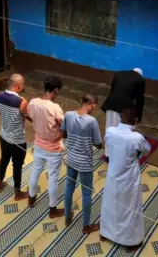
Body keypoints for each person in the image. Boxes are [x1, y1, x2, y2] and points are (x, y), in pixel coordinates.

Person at [100, 108, 151, 248]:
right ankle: (131, 241)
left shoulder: (110, 131)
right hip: (129, 179)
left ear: (120, 117)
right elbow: (147, 149)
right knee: (129, 208)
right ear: (136, 121)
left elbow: (109, 147)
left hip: (112, 174)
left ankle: (106, 232)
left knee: (110, 204)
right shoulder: (136, 137)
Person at [61, 94, 103, 234]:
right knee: (86, 193)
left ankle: (67, 217)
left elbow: (64, 134)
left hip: (71, 159)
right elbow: (98, 143)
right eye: (93, 107)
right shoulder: (92, 121)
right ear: (90, 103)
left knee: (69, 188)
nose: (93, 110)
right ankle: (86, 226)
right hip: (85, 163)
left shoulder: (68, 115)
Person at [27, 76, 65, 218]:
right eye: (58, 91)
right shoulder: (55, 107)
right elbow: (63, 124)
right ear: (55, 90)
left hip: (38, 144)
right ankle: (52, 208)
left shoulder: (33, 102)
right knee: (53, 178)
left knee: (35, 171)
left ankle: (31, 198)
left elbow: (29, 115)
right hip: (53, 148)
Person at [0, 74, 31, 200]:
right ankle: (17, 193)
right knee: (17, 165)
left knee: (3, 160)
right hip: (17, 140)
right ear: (19, 86)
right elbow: (28, 117)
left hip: (3, 136)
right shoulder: (22, 101)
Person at [100, 68, 145, 132]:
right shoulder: (140, 80)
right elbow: (140, 100)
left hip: (110, 104)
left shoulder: (119, 73)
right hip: (123, 109)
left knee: (109, 126)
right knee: (119, 129)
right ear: (140, 75)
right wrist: (139, 116)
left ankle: (108, 140)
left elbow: (112, 89)